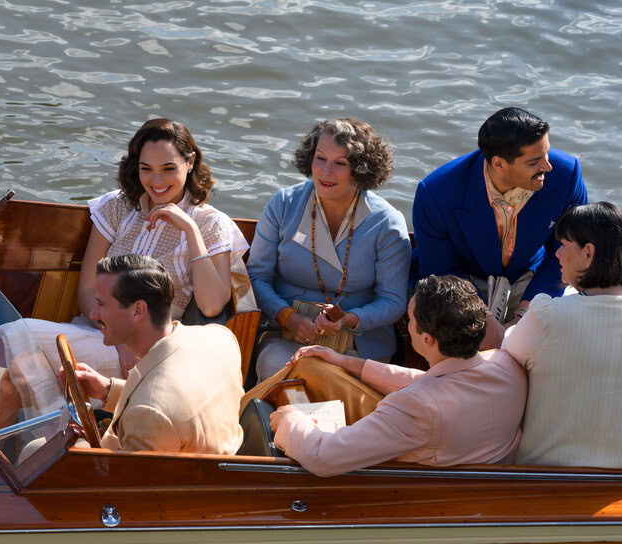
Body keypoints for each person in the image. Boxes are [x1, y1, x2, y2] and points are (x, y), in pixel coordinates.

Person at [0, 119, 252, 418]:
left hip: (149, 353)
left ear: (190, 163)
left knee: (18, 346)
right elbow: (87, 290)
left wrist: (190, 229)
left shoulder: (209, 223)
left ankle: (1, 448)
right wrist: (116, 337)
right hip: (96, 330)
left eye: (168, 168)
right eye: (146, 168)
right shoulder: (117, 207)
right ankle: (6, 447)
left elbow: (213, 305)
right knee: (13, 350)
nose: (157, 180)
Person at [269, 275, 527, 477]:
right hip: (489, 481)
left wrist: (289, 419)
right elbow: (432, 382)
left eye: (410, 321)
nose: (407, 325)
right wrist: (343, 361)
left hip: (417, 494)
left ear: (427, 339)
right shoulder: (507, 365)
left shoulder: (418, 407)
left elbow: (322, 457)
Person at [247, 118, 411, 382]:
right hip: (284, 335)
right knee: (284, 373)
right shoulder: (283, 204)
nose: (326, 171)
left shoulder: (387, 223)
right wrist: (287, 316)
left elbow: (393, 301)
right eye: (320, 158)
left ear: (360, 169)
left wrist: (349, 319)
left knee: (326, 381)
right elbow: (256, 278)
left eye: (340, 163)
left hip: (359, 344)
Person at [412, 107, 587, 323]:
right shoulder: (436, 193)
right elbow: (442, 270)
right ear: (499, 164)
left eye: (547, 153)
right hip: (465, 282)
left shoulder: (567, 175)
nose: (548, 167)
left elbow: (565, 252)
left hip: (532, 277)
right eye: (534, 162)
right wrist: (482, 318)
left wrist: (528, 312)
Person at [72, 254, 244, 453]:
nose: (93, 314)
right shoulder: (220, 338)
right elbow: (177, 405)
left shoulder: (150, 415)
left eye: (101, 305)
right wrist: (108, 390)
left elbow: (124, 481)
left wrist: (80, 445)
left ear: (138, 310)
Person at [502, 202, 622, 468]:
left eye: (564, 244)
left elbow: (505, 347)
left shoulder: (549, 315)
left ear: (588, 253)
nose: (556, 254)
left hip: (543, 478)